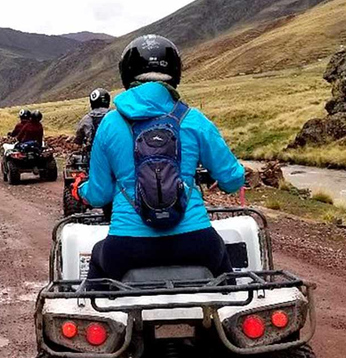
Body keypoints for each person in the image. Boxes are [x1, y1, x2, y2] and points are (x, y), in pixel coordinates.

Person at [77, 35, 245, 281]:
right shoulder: (193, 119)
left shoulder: (110, 124)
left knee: (97, 278)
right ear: (175, 71)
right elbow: (232, 181)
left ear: (127, 73)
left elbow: (99, 195)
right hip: (196, 243)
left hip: (127, 247)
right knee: (228, 288)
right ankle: (227, 313)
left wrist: (81, 190)